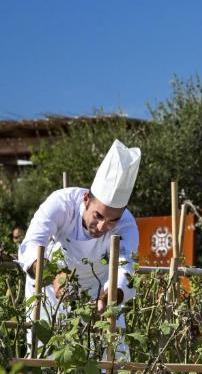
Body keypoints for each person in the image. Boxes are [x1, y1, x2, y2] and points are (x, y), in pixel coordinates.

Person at [18, 139, 141, 349]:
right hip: (48, 294)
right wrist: (53, 276)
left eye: (112, 220)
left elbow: (126, 272)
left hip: (98, 295)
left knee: (113, 358)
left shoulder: (127, 225)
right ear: (86, 200)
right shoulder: (61, 204)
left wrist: (106, 300)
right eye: (98, 216)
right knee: (46, 359)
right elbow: (31, 245)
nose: (102, 226)